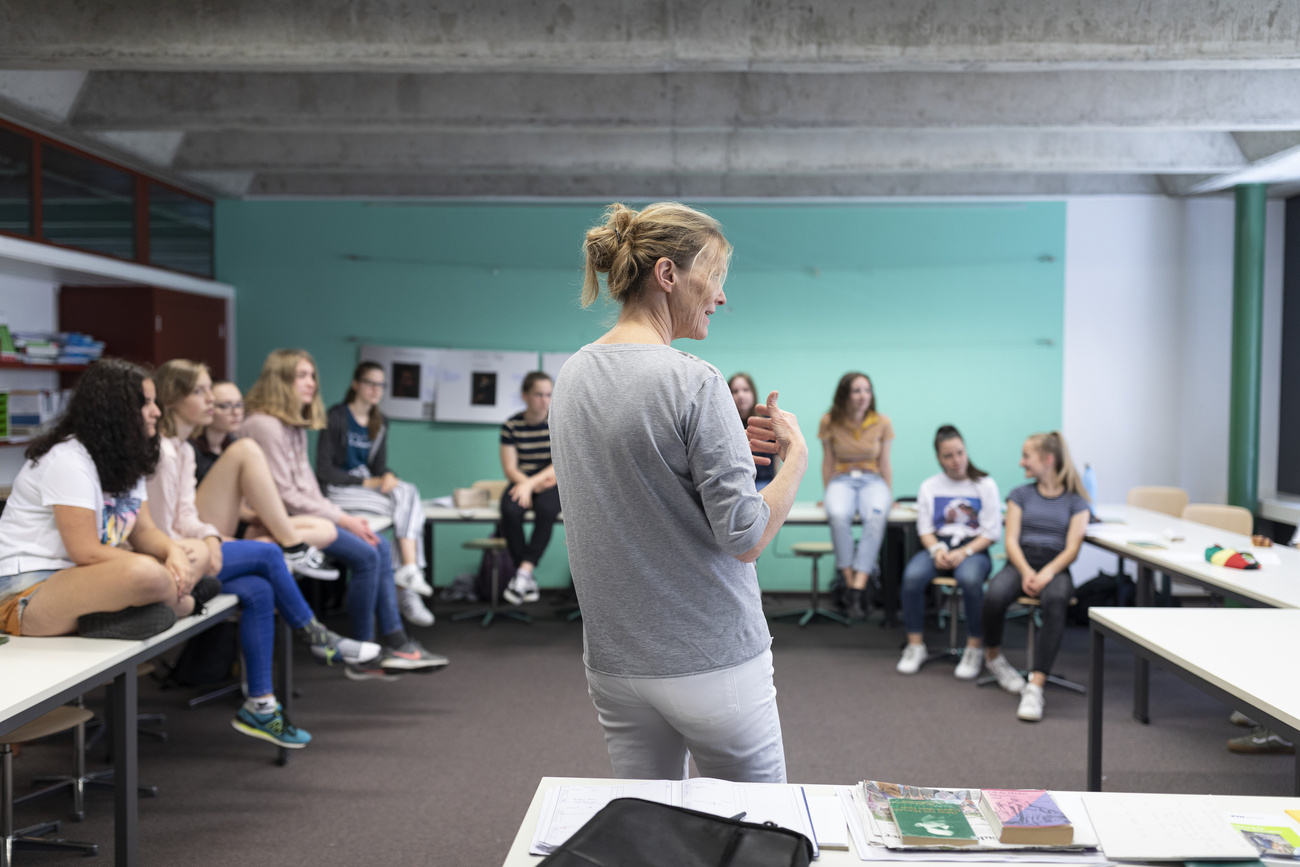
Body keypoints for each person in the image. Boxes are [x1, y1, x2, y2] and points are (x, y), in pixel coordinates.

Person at [551, 201, 810, 783]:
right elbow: (744, 537)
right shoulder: (694, 379)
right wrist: (796, 460)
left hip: (617, 665)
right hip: (710, 661)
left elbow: (644, 493)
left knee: (650, 830)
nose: (720, 296)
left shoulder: (571, 376)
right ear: (668, 275)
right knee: (762, 834)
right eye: (713, 277)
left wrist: (727, 453)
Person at [150, 359, 386, 747]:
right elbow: (158, 533)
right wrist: (209, 543)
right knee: (270, 556)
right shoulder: (162, 452)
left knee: (260, 590)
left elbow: (187, 518)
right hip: (169, 560)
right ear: (172, 399)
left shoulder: (183, 451)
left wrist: (211, 540)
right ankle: (318, 636)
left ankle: (259, 707)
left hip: (196, 547)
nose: (212, 399)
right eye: (201, 392)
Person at [241, 349, 448, 679]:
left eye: (312, 376)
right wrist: (343, 518)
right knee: (370, 552)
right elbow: (288, 495)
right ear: (279, 380)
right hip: (275, 524)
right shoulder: (264, 426)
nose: (311, 383)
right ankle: (365, 650)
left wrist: (340, 515)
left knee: (379, 545)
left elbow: (305, 488)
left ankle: (391, 640)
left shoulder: (291, 425)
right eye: (301, 375)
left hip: (302, 515)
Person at [0, 359, 199, 642]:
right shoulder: (68, 459)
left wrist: (172, 553)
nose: (156, 412)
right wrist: (160, 567)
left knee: (194, 553)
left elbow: (144, 531)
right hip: (26, 592)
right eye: (147, 404)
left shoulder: (126, 457)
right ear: (116, 410)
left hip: (80, 579)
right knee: (147, 572)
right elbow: (86, 552)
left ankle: (133, 612)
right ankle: (185, 603)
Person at [981, 431, 1090, 722]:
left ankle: (1035, 687)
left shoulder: (1077, 502)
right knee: (994, 595)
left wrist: (1047, 573)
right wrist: (1028, 572)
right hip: (1021, 562)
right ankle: (993, 658)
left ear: (1048, 460)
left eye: (1026, 456)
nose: (1021, 462)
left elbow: (1073, 548)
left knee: (1055, 599)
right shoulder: (1020, 494)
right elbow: (1011, 541)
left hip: (1055, 565)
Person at [316, 361, 435, 627]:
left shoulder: (380, 423)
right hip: (337, 490)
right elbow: (324, 470)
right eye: (370, 383)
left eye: (381, 384)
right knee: (409, 505)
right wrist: (366, 482)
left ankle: (408, 574)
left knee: (406, 497)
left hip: (363, 487)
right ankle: (409, 579)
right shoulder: (335, 416)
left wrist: (388, 475)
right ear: (356, 384)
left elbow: (378, 468)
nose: (376, 389)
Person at [190, 378, 339, 581]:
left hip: (242, 528)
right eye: (225, 406)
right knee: (247, 447)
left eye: (238, 404)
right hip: (211, 533)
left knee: (326, 529)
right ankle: (290, 547)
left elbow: (234, 503)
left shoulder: (230, 444)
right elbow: (197, 506)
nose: (235, 412)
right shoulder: (194, 450)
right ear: (208, 407)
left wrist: (259, 517)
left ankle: (271, 547)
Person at [896, 425, 1001, 679]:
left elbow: (991, 533)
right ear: (939, 458)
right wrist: (937, 550)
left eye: (960, 453)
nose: (956, 461)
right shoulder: (930, 486)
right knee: (911, 578)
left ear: (966, 451)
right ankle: (915, 645)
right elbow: (925, 529)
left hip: (973, 548)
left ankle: (974, 648)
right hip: (939, 546)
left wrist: (963, 552)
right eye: (948, 456)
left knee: (970, 579)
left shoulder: (985, 484)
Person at [818, 372, 894, 620]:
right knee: (838, 514)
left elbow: (885, 463)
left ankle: (858, 587)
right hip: (841, 479)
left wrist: (888, 494)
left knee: (877, 514)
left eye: (867, 390)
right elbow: (827, 461)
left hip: (873, 480)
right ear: (845, 395)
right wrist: (827, 492)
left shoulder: (882, 422)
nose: (863, 396)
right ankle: (850, 581)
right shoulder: (829, 421)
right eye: (857, 391)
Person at [498, 371, 560, 605]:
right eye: (538, 394)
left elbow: (557, 465)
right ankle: (526, 574)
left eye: (548, 395)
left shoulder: (557, 422)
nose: (544, 400)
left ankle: (523, 572)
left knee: (546, 510)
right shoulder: (511, 426)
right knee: (510, 511)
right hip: (521, 477)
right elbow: (509, 467)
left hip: (547, 480)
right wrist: (523, 483)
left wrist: (530, 486)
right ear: (525, 395)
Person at [729, 372, 778, 490]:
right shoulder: (726, 425)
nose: (741, 395)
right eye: (735, 391)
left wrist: (775, 484)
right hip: (735, 483)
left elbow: (776, 456)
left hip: (763, 481)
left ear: (753, 393)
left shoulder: (766, 422)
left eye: (745, 390)